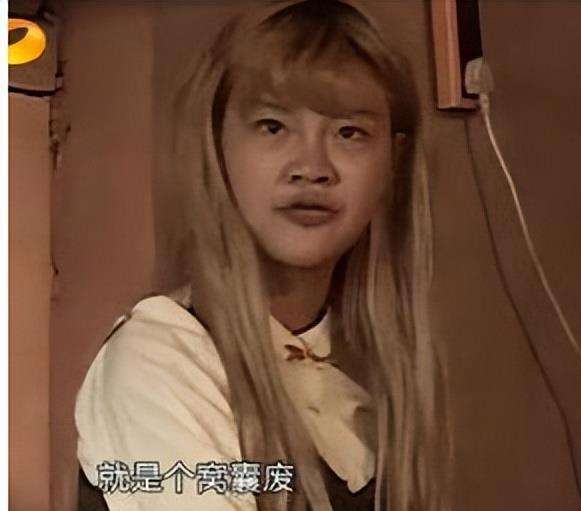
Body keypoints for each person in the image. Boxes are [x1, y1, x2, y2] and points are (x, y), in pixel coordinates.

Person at [74, 1, 451, 510]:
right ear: (218, 146)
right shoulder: (161, 357)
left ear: (393, 162)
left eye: (349, 133)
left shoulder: (375, 363)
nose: (312, 167)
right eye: (273, 126)